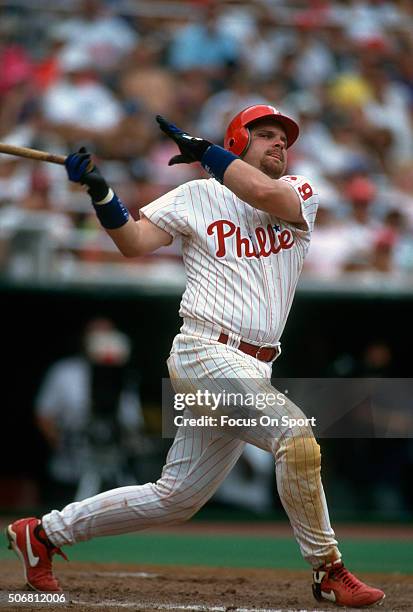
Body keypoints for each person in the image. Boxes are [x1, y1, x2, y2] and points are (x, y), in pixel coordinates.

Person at [7, 104, 385, 607]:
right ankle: (328, 570)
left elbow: (260, 192)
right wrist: (100, 192)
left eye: (283, 137)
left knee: (176, 497)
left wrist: (205, 152)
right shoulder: (197, 194)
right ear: (237, 143)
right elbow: (134, 242)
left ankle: (44, 533)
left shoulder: (299, 192)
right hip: (204, 351)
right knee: (296, 439)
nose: (279, 144)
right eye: (265, 135)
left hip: (255, 366)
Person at [35, 317, 143, 505]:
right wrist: (63, 444)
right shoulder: (64, 372)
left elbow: (133, 420)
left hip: (114, 466)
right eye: (96, 335)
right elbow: (44, 415)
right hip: (70, 468)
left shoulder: (124, 377)